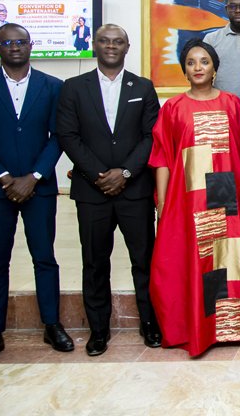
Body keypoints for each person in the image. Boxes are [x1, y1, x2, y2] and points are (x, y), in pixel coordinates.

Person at [0, 23, 73, 369]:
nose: (15, 47)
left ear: (31, 45)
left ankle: (51, 325)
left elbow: (59, 136)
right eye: (7, 42)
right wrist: (4, 177)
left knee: (45, 258)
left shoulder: (52, 86)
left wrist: (34, 176)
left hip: (40, 188)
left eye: (21, 41)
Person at [148, 39, 240, 357]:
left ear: (214, 69)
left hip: (225, 197)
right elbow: (163, 158)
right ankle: (196, 329)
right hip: (188, 201)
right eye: (191, 63)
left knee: (224, 262)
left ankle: (229, 327)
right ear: (185, 70)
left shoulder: (232, 104)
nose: (198, 67)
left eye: (204, 62)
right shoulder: (173, 108)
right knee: (190, 265)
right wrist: (162, 203)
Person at [56, 24, 162, 356]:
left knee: (144, 261)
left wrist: (126, 172)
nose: (111, 46)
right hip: (92, 191)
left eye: (118, 42)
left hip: (135, 191)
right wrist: (100, 174)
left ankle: (150, 323)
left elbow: (151, 136)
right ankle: (98, 330)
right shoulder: (74, 87)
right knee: (95, 262)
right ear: (95, 45)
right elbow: (68, 135)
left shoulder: (142, 87)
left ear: (127, 47)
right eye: (104, 41)